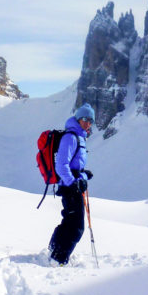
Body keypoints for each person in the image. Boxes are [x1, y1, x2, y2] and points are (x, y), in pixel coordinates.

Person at [48, 103, 95, 266]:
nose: (88, 123)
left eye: (91, 120)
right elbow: (62, 165)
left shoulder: (79, 137)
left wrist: (83, 174)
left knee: (69, 221)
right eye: (85, 119)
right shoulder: (71, 137)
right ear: (78, 118)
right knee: (77, 227)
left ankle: (53, 250)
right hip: (70, 188)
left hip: (73, 185)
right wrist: (73, 183)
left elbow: (73, 165)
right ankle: (58, 259)